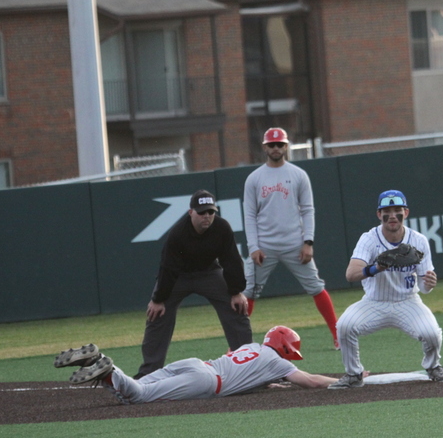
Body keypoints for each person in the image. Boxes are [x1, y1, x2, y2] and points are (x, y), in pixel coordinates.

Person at [329, 190, 443, 389]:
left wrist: (429, 283)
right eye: (387, 211)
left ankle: (433, 367)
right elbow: (351, 274)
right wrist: (375, 268)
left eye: (398, 211)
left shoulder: (418, 240)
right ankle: (353, 374)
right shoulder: (369, 239)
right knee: (344, 326)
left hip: (408, 301)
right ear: (379, 214)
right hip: (374, 302)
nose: (393, 215)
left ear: (406, 213)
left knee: (431, 333)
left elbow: (424, 287)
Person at [135, 189, 252, 378]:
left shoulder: (222, 227)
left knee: (237, 307)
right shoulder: (178, 233)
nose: (207, 216)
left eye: (211, 211)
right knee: (157, 314)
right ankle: (149, 373)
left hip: (209, 273)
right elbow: (168, 268)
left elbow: (231, 260)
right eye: (201, 212)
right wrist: (158, 299)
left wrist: (236, 292)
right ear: (191, 212)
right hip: (179, 277)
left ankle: (249, 367)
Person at [54, 326, 340, 403]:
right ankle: (107, 368)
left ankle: (100, 365)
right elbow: (311, 381)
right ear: (285, 347)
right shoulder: (276, 362)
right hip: (206, 382)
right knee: (138, 396)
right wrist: (344, 380)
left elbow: (247, 374)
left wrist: (268, 385)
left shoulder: (252, 347)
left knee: (135, 389)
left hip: (195, 364)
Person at [243, 127, 339, 349]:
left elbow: (308, 210)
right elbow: (249, 214)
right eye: (272, 144)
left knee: (316, 286)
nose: (276, 148)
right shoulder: (254, 178)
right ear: (265, 147)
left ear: (286, 146)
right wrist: (253, 247)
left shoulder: (298, 174)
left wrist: (308, 242)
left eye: (280, 144)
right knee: (248, 292)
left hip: (294, 244)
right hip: (264, 246)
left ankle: (338, 335)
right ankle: (238, 342)